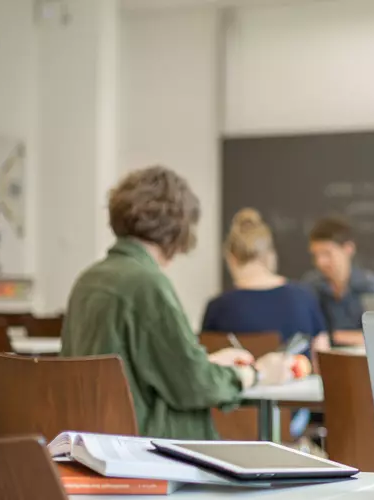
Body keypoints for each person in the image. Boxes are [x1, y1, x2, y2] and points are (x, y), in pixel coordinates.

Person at [61, 166, 292, 440]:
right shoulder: (146, 284)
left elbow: (138, 369)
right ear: (178, 228)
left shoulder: (89, 280)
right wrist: (256, 373)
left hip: (92, 447)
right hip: (149, 451)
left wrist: (206, 362)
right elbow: (194, 385)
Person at [202, 208, 330, 355]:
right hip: (298, 377)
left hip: (242, 378)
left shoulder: (217, 308)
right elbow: (323, 358)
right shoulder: (304, 297)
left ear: (231, 258)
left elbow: (207, 365)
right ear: (270, 255)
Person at [302, 217, 374, 336]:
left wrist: (336, 337)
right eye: (315, 255)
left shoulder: (369, 284)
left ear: (348, 249)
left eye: (327, 253)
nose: (320, 262)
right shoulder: (311, 285)